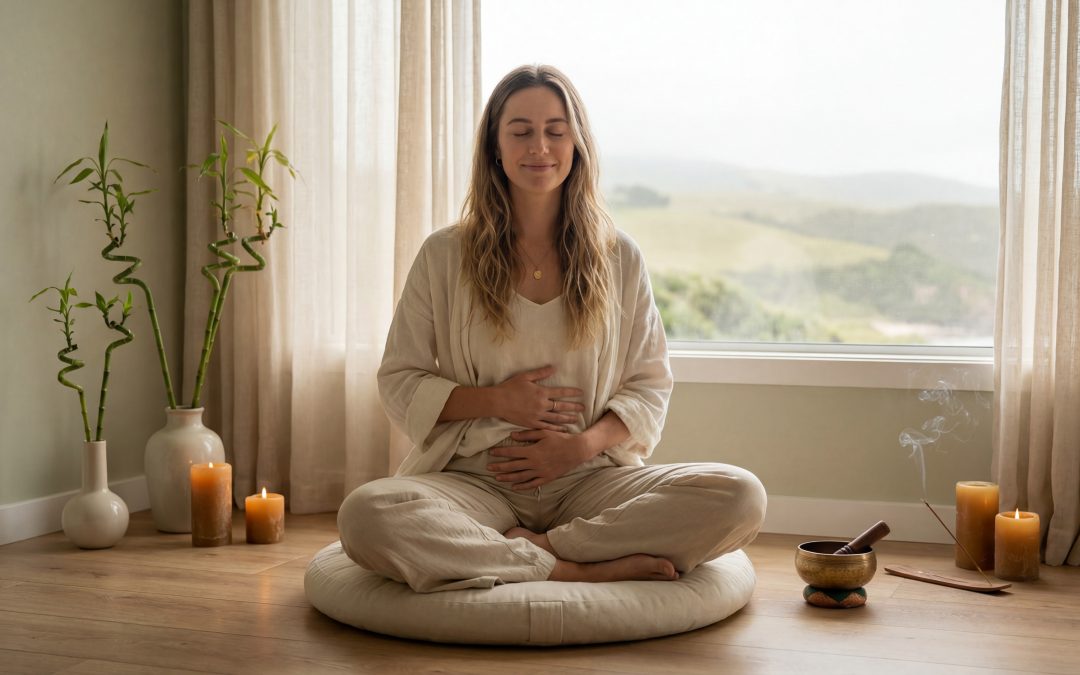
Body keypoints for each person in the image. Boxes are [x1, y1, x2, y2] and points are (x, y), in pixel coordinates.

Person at [338, 64, 766, 593]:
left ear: (577, 143)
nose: (539, 146)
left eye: (555, 130)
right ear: (495, 147)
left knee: (741, 496)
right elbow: (400, 379)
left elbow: (649, 387)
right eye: (520, 131)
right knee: (366, 514)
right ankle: (571, 567)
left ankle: (541, 550)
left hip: (590, 483)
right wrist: (495, 401)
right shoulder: (444, 255)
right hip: (477, 481)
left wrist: (577, 448)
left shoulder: (619, 256)